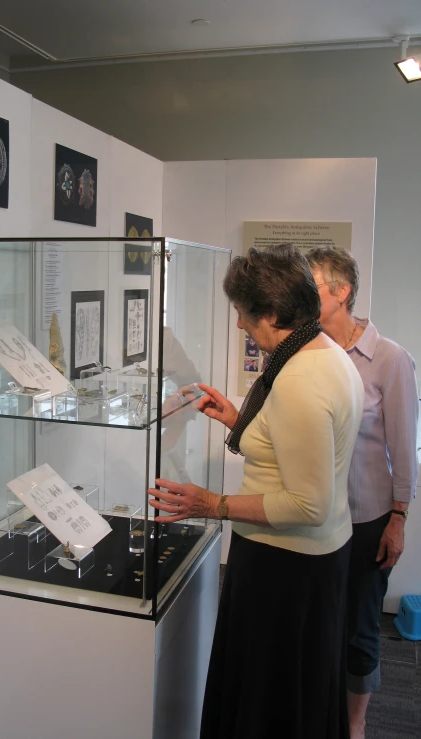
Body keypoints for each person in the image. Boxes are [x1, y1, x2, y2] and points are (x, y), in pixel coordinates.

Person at [148, 243, 364, 739]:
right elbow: (298, 451)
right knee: (294, 692)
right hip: (312, 561)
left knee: (272, 701)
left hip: (286, 567)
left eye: (244, 314)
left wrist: (211, 504)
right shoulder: (320, 352)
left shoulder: (300, 379)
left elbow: (308, 504)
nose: (241, 326)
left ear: (270, 312)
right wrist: (241, 420)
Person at [306, 246, 418, 739]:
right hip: (316, 517)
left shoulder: (389, 360)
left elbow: (404, 448)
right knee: (319, 623)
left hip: (370, 518)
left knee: (360, 627)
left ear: (341, 291)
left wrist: (399, 517)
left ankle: (356, 726)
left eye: (311, 285)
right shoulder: (309, 351)